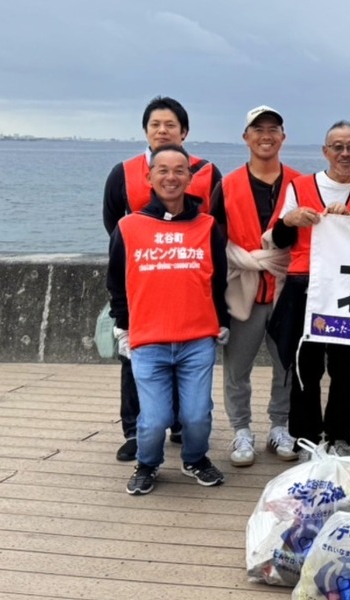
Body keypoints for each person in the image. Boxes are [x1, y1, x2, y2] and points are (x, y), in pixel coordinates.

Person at [102, 96, 222, 462]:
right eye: (155, 125)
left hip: (188, 278)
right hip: (144, 278)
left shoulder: (206, 171)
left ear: (184, 132)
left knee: (188, 371)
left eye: (170, 125)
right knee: (134, 364)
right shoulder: (124, 170)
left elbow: (214, 225)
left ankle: (183, 430)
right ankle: (134, 431)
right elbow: (113, 223)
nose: (162, 130)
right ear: (145, 131)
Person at [270, 121, 350, 458]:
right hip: (304, 286)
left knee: (345, 368)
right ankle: (306, 435)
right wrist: (289, 221)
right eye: (337, 146)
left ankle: (339, 436)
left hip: (349, 291)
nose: (345, 153)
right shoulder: (298, 186)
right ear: (325, 151)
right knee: (306, 367)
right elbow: (278, 239)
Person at [209, 106, 300, 467]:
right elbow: (214, 241)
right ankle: (241, 430)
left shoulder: (300, 183)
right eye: (257, 129)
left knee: (287, 365)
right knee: (237, 368)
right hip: (240, 284)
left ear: (283, 136)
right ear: (246, 137)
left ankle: (280, 425)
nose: (266, 135)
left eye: (273, 128)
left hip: (287, 288)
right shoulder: (227, 185)